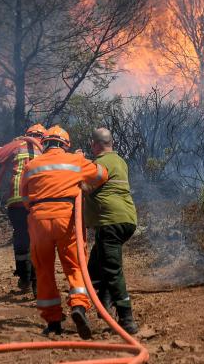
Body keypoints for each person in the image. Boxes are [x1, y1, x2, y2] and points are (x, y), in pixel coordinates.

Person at [21, 125, 108, 338]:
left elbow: (25, 199)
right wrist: (84, 184)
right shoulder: (75, 161)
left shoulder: (30, 165)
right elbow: (101, 174)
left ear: (44, 143)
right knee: (75, 265)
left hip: (38, 220)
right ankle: (78, 306)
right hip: (67, 218)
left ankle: (53, 322)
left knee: (43, 269)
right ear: (65, 145)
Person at [84, 127, 139, 335]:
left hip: (111, 223)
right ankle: (104, 304)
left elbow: (85, 188)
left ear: (95, 145)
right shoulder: (120, 161)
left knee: (113, 271)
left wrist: (76, 169)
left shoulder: (99, 164)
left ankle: (127, 319)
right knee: (95, 267)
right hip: (127, 220)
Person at [0, 123, 46, 292]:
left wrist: (7, 150)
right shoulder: (47, 149)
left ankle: (25, 279)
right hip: (39, 201)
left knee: (22, 237)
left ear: (27, 134)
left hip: (17, 200)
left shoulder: (18, 144)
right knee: (38, 240)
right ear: (43, 136)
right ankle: (38, 282)